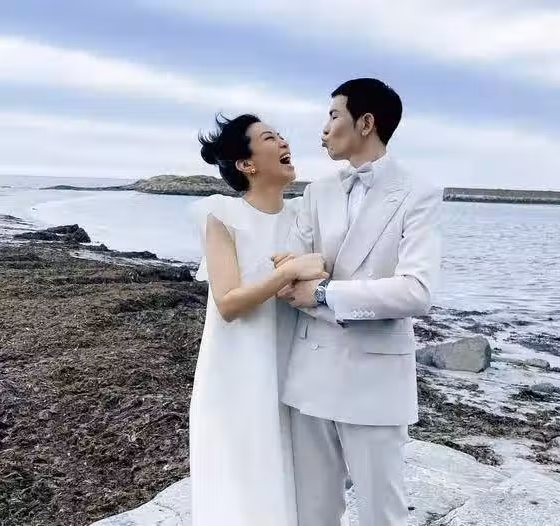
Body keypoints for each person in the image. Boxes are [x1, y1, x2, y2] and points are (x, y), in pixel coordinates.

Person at [277, 78, 443, 526]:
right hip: (310, 373)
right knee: (312, 513)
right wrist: (322, 290)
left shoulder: (418, 192)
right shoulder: (317, 192)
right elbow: (289, 277)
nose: (325, 127)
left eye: (334, 115)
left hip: (375, 377)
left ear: (365, 123)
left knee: (380, 513)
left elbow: (416, 291)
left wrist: (325, 293)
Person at [188, 113, 329, 526]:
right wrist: (288, 271)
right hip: (236, 372)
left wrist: (315, 271)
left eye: (281, 135)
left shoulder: (304, 215)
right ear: (246, 164)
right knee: (241, 480)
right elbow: (229, 303)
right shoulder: (223, 216)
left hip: (293, 367)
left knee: (294, 482)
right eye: (270, 138)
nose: (284, 142)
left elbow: (322, 279)